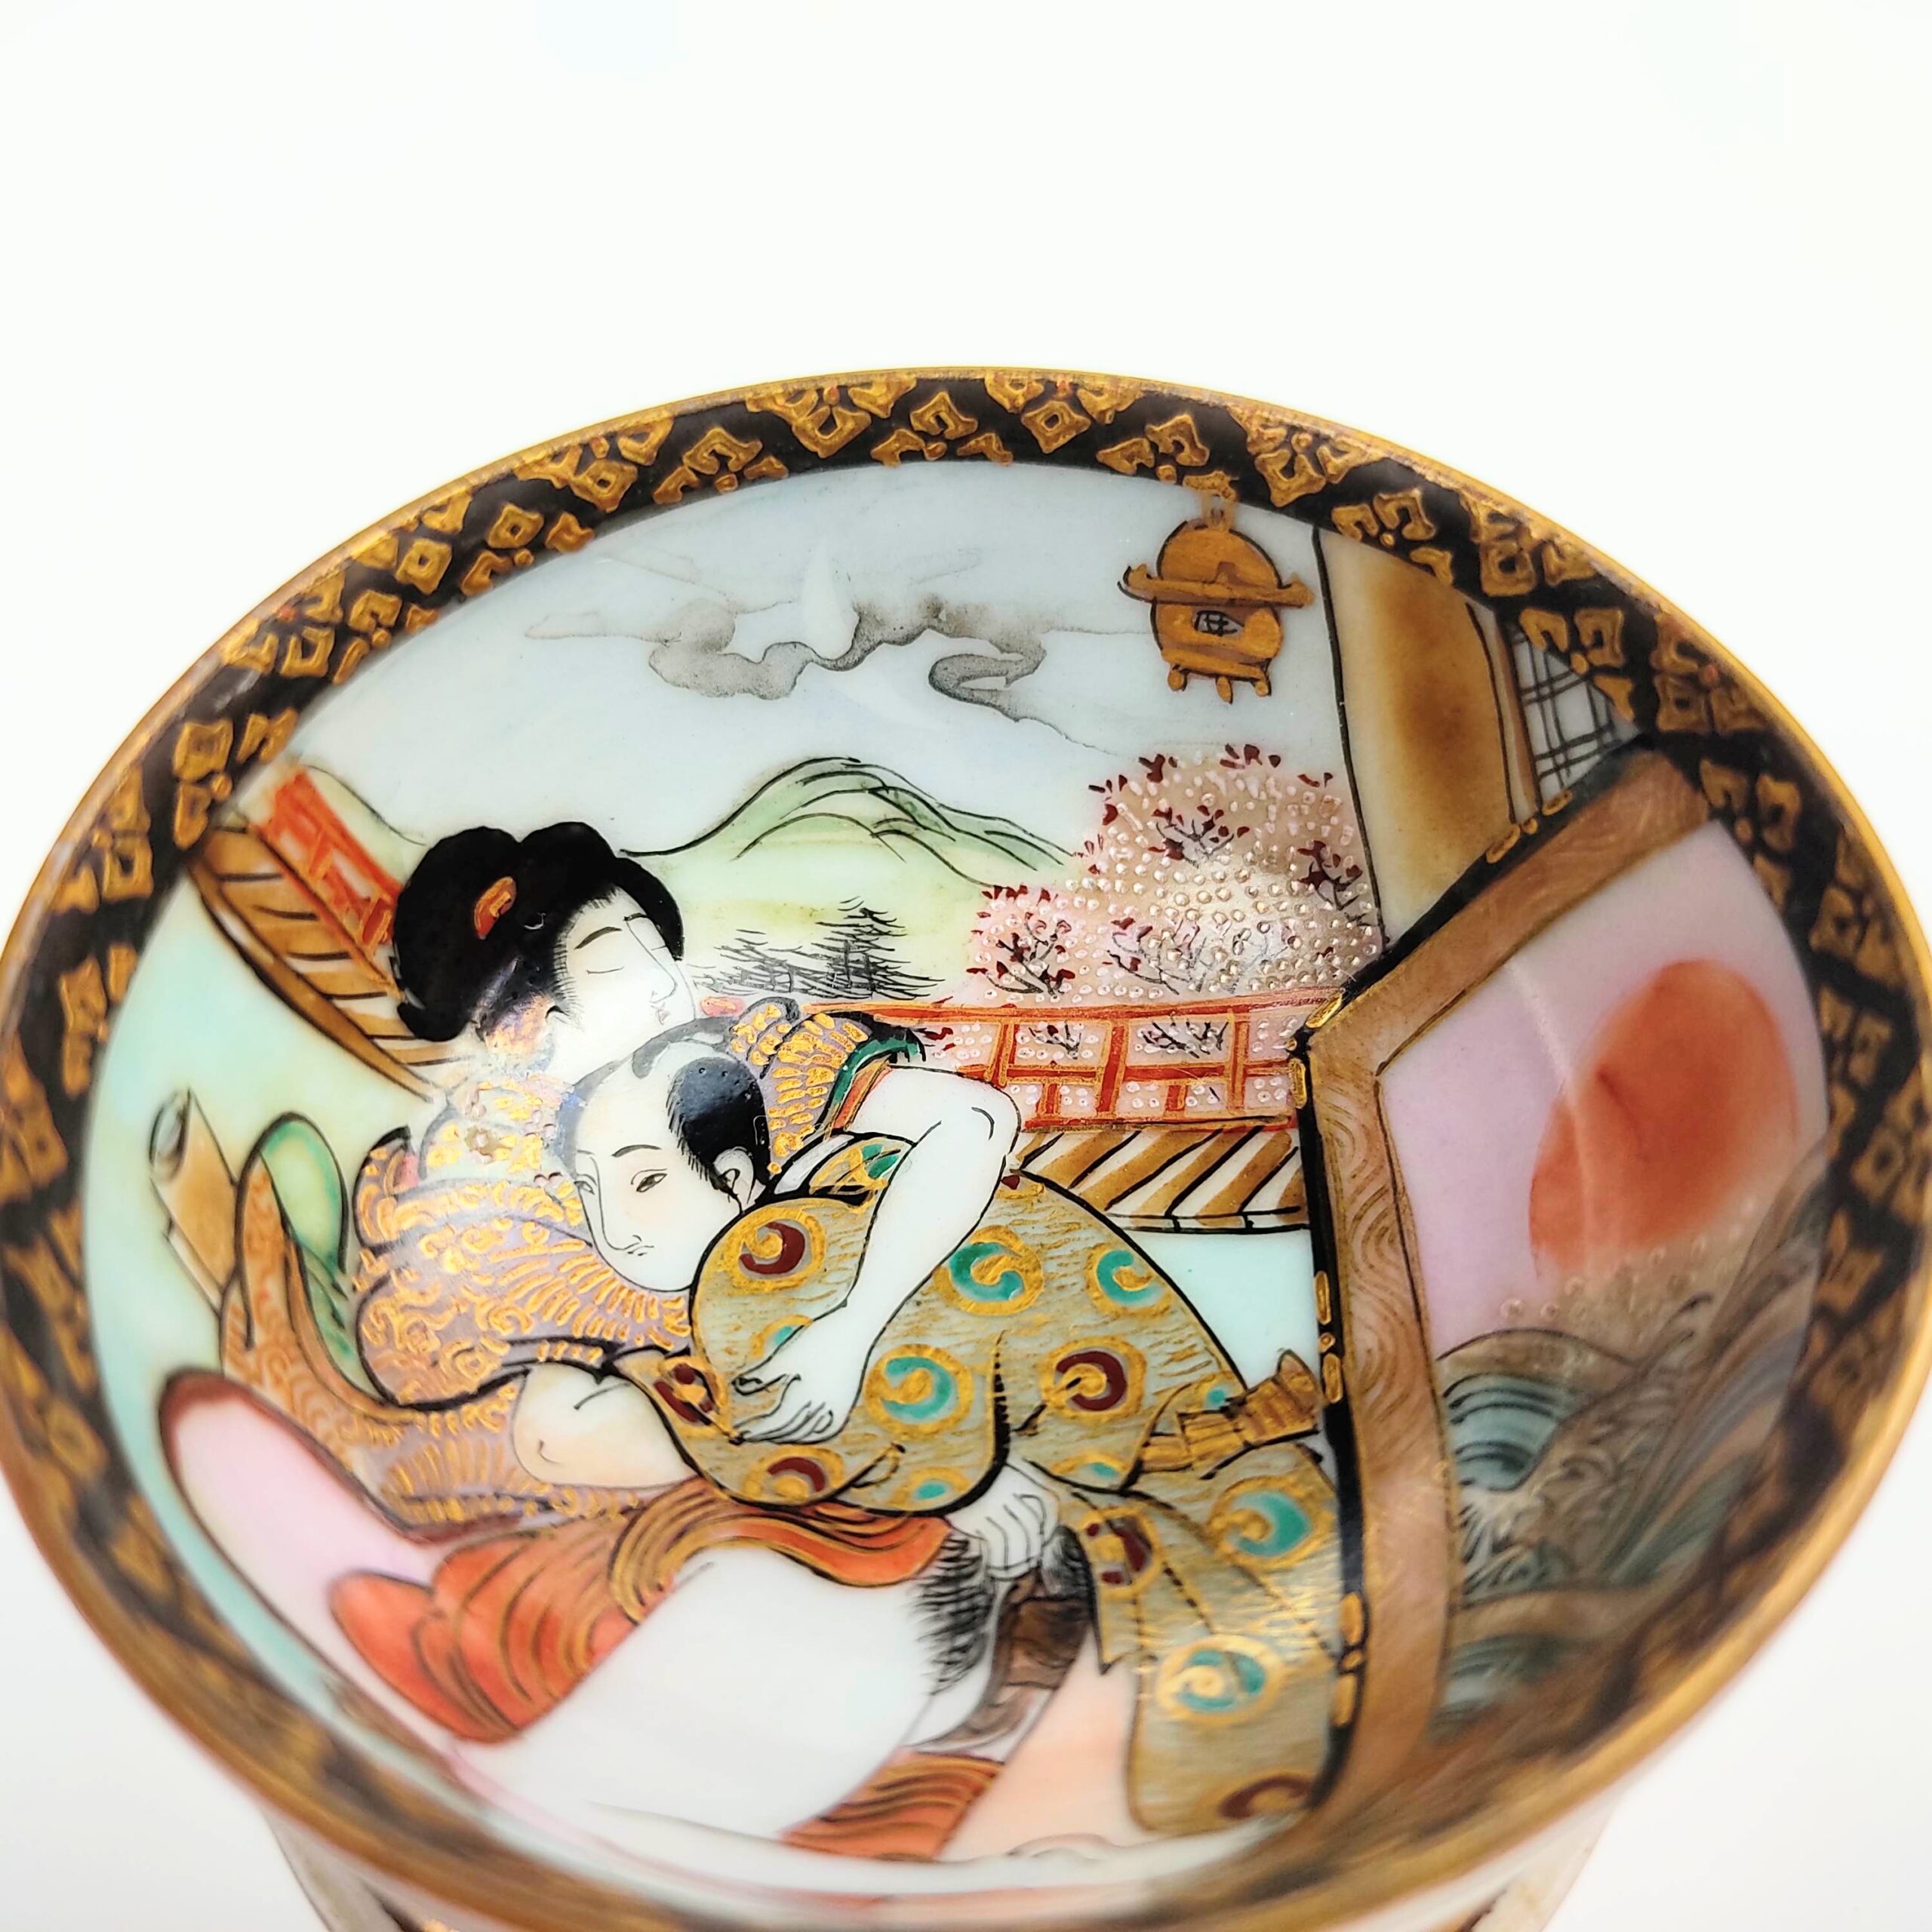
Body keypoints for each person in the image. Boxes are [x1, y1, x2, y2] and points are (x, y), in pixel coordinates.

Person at [513, 1026, 1346, 1838]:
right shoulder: (811, 1206)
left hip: (1131, 1457)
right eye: (589, 1189)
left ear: (733, 1176)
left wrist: (862, 1347)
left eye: (644, 1181)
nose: (613, 1225)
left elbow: (975, 1135)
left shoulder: (768, 1248)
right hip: (1152, 1441)